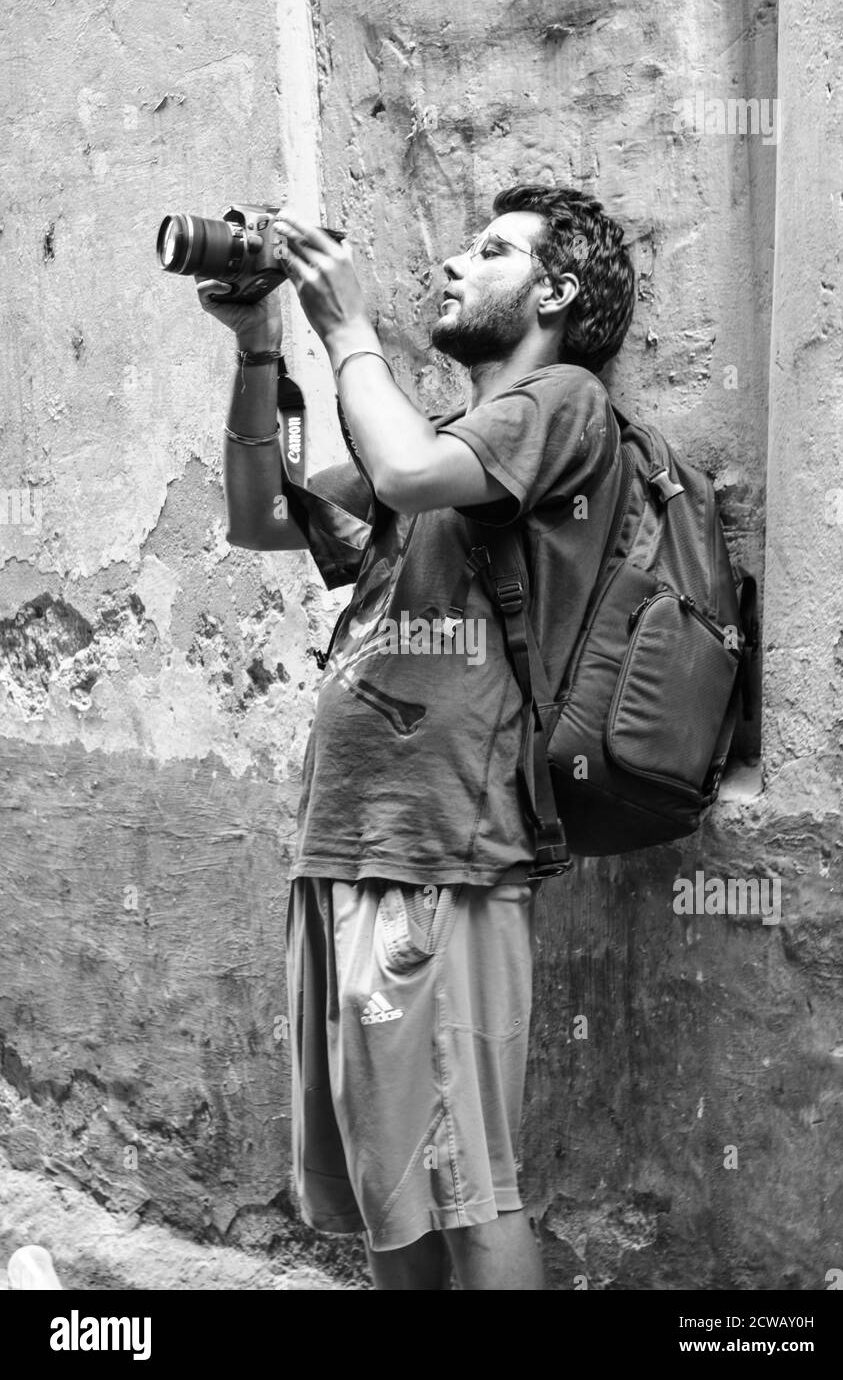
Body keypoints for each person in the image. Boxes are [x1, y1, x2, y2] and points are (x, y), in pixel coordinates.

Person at [198, 184, 635, 1290]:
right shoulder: (438, 433)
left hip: (446, 845)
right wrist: (260, 346)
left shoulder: (563, 402)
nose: (452, 263)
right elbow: (261, 516)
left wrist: (347, 330)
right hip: (351, 838)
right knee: (396, 1197)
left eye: (490, 251)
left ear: (557, 290)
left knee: (468, 1185)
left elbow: (401, 474)